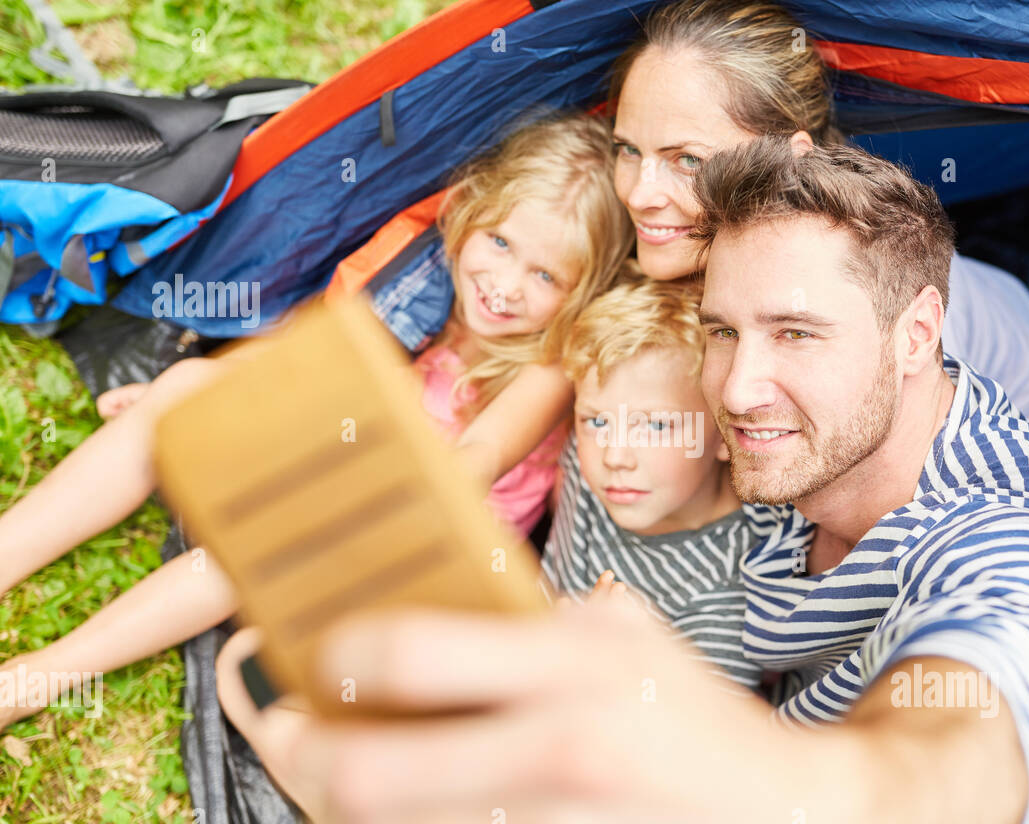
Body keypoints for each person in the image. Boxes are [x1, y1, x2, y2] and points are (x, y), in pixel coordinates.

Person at [215, 136, 1029, 824]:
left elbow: (994, 707)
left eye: (797, 332)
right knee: (269, 685)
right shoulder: (757, 439)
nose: (744, 386)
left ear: (916, 333)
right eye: (725, 331)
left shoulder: (1011, 524)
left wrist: (826, 813)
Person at [0, 110, 633, 730]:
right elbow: (312, 357)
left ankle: (43, 676)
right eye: (500, 242)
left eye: (545, 275)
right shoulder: (425, 284)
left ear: (582, 293)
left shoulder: (550, 364)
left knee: (271, 544)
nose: (506, 284)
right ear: (468, 209)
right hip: (342, 461)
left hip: (399, 548)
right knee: (188, 385)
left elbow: (475, 460)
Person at [607, 0, 1029, 444]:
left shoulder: (866, 300)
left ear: (792, 160)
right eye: (628, 149)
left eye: (688, 160)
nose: (637, 192)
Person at [543, 261, 771, 692]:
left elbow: (694, 747)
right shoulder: (588, 461)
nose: (615, 456)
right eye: (596, 421)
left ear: (728, 435)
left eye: (657, 426)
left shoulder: (728, 598)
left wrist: (593, 661)